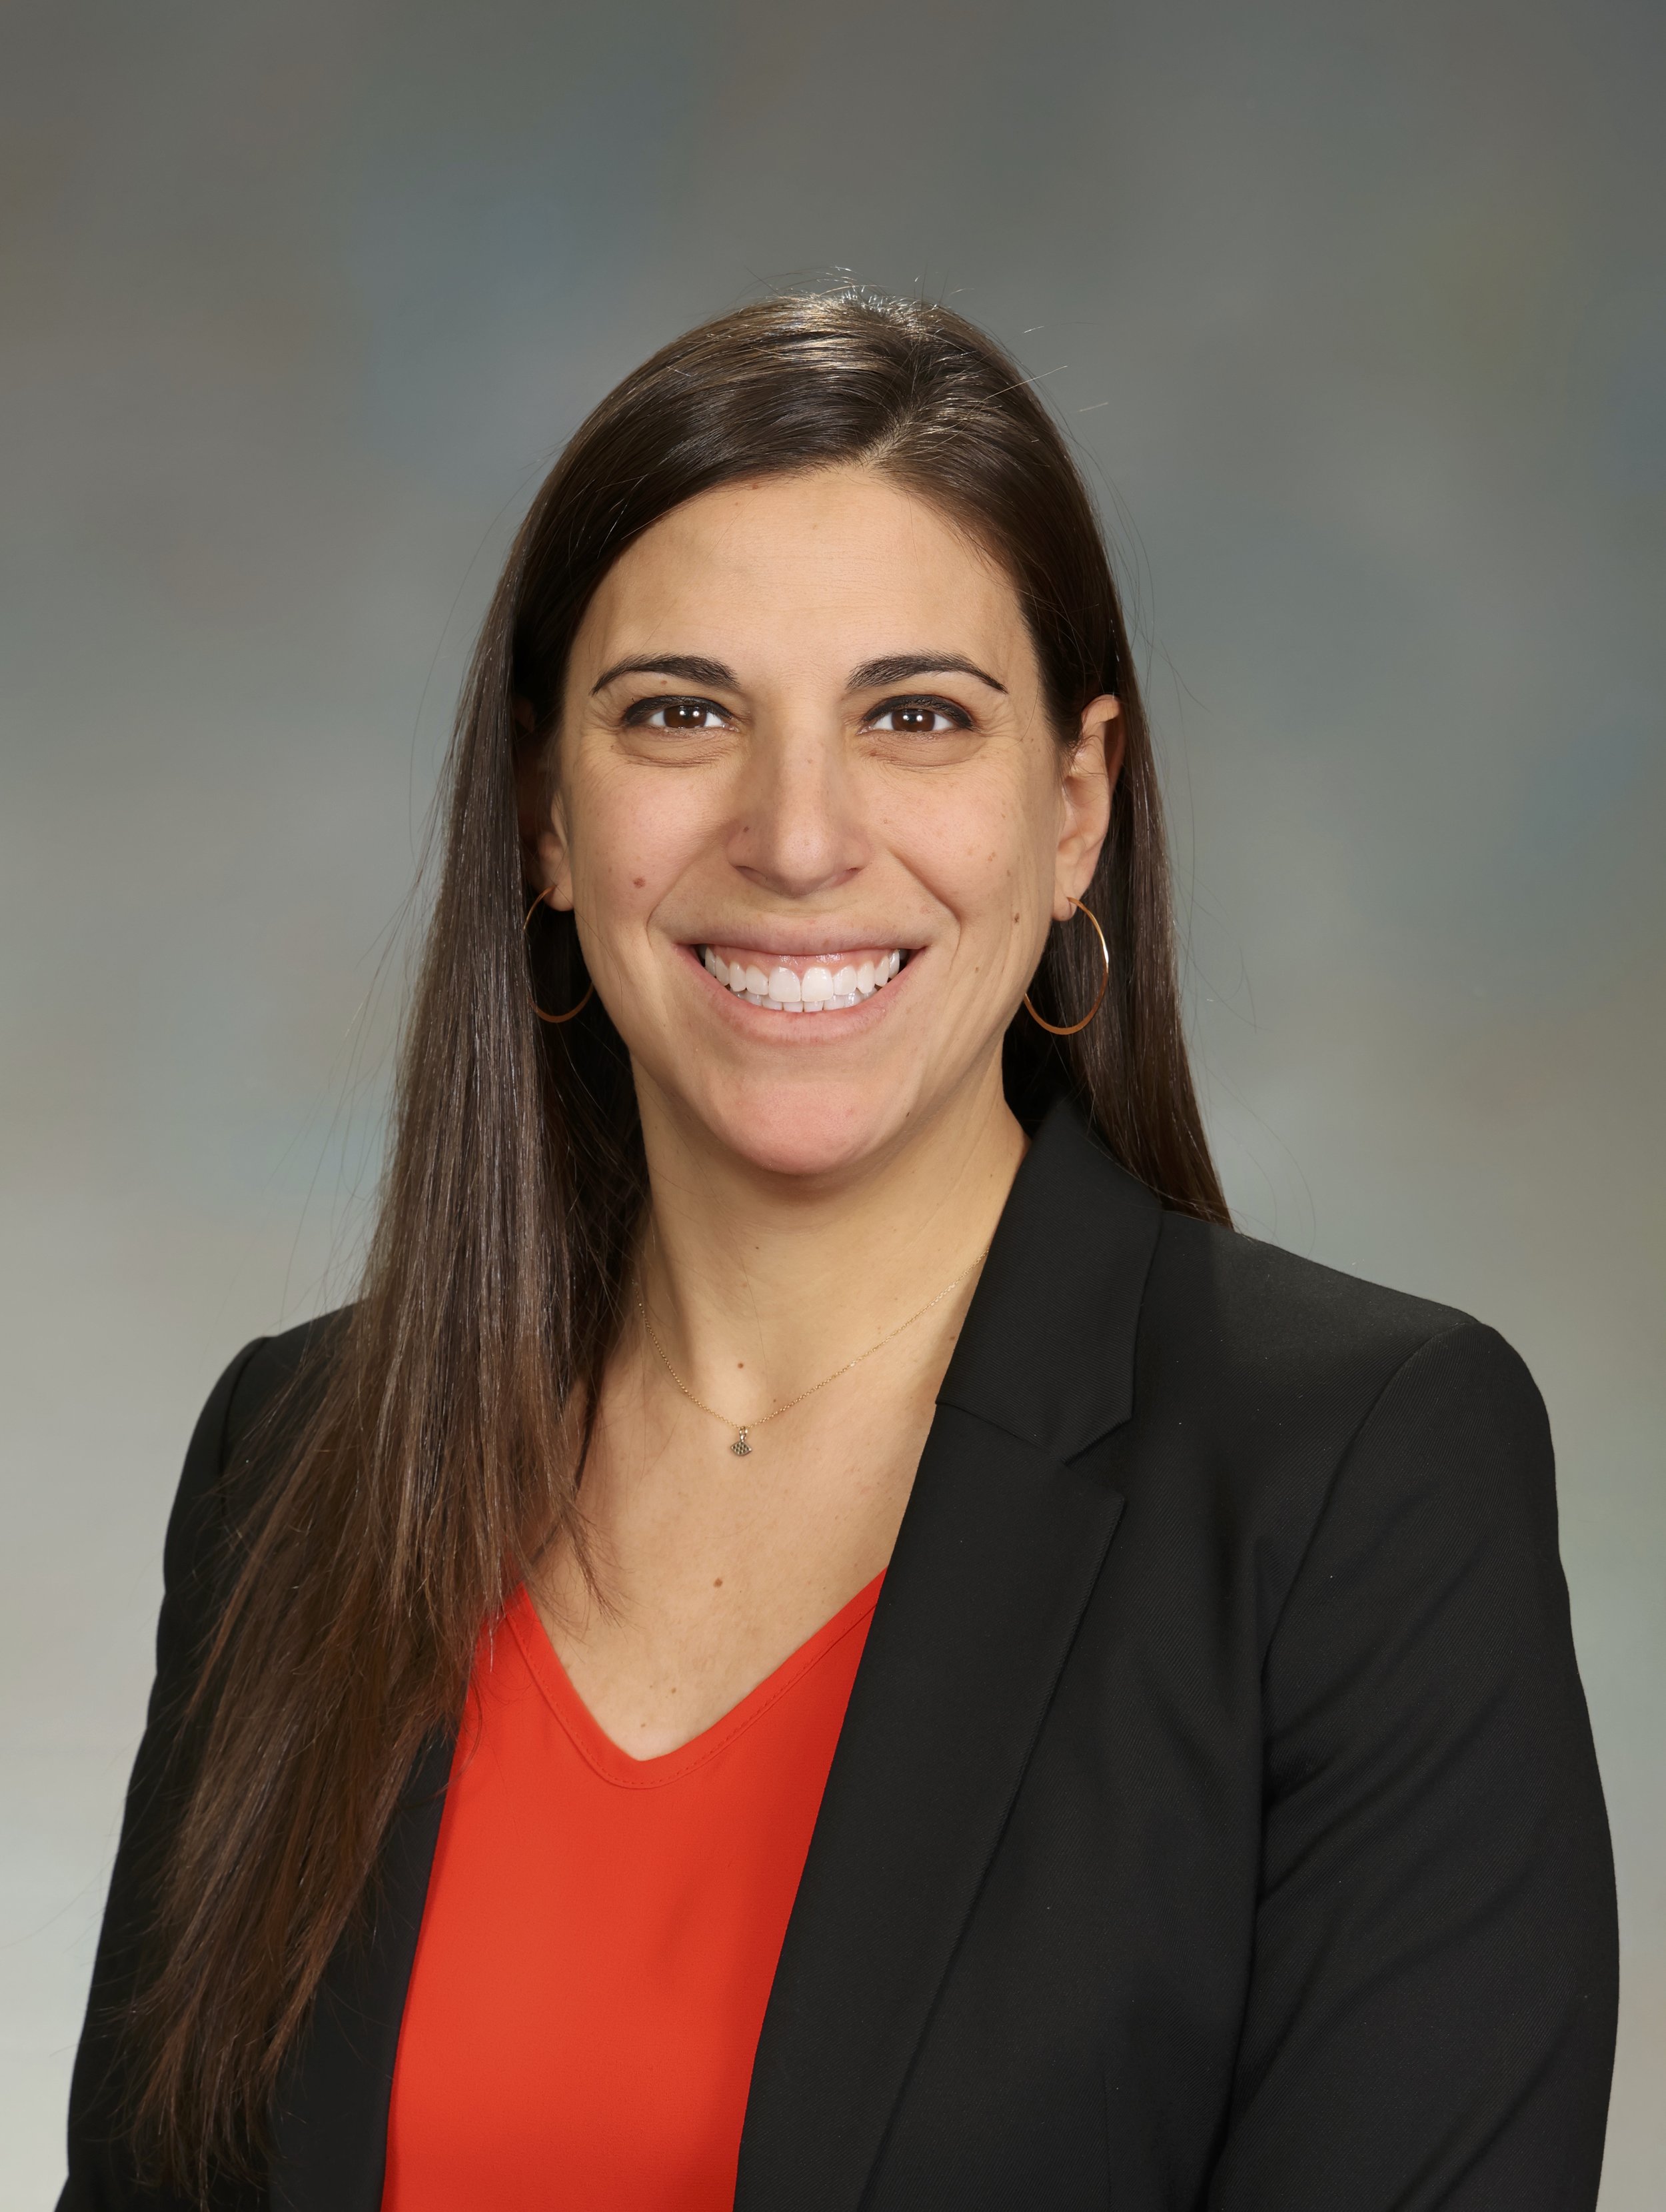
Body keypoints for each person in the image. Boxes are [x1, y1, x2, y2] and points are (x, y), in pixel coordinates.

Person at [61, 290, 1617, 2212]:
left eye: (914, 717)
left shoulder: (1351, 1477)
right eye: (681, 714)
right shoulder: (296, 1456)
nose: (797, 836)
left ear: (1072, 808)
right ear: (546, 813)